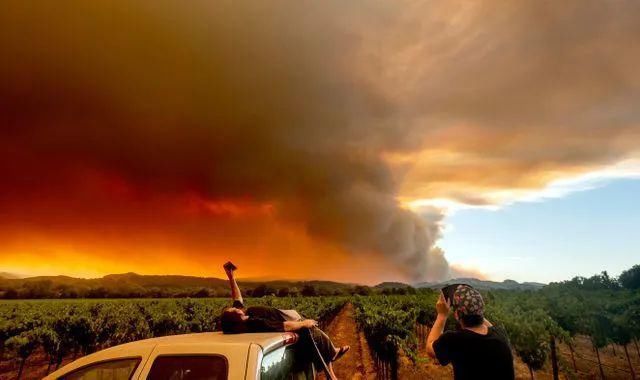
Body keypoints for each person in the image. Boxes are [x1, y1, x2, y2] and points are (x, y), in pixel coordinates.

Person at [219, 262, 349, 379]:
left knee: (316, 337)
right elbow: (284, 326)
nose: (232, 308)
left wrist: (231, 277)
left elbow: (237, 297)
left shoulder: (244, 315)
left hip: (288, 316)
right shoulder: (253, 322)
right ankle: (332, 357)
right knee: (314, 333)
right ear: (235, 318)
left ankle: (331, 363)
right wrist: (304, 323)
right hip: (290, 320)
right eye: (231, 310)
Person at [426, 285, 515, 380]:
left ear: (456, 315)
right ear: (482, 309)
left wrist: (441, 315)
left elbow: (429, 348)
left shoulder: (454, 340)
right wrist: (474, 308)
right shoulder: (501, 335)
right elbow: (491, 328)